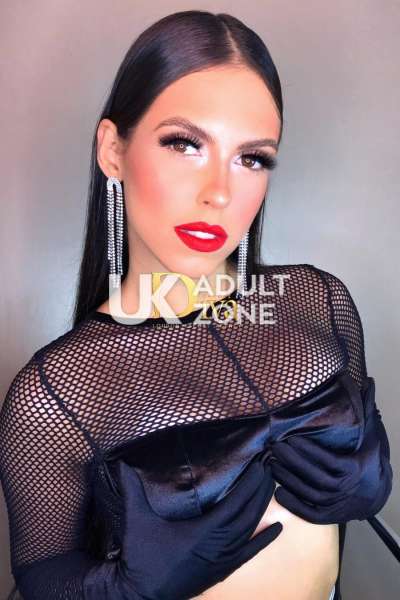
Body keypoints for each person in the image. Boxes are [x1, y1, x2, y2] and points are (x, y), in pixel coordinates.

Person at [0, 9, 392, 600]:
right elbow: (40, 571)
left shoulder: (319, 300)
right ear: (113, 150)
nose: (219, 193)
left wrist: (370, 485)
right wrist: (120, 590)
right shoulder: (55, 392)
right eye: (185, 144)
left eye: (251, 158)